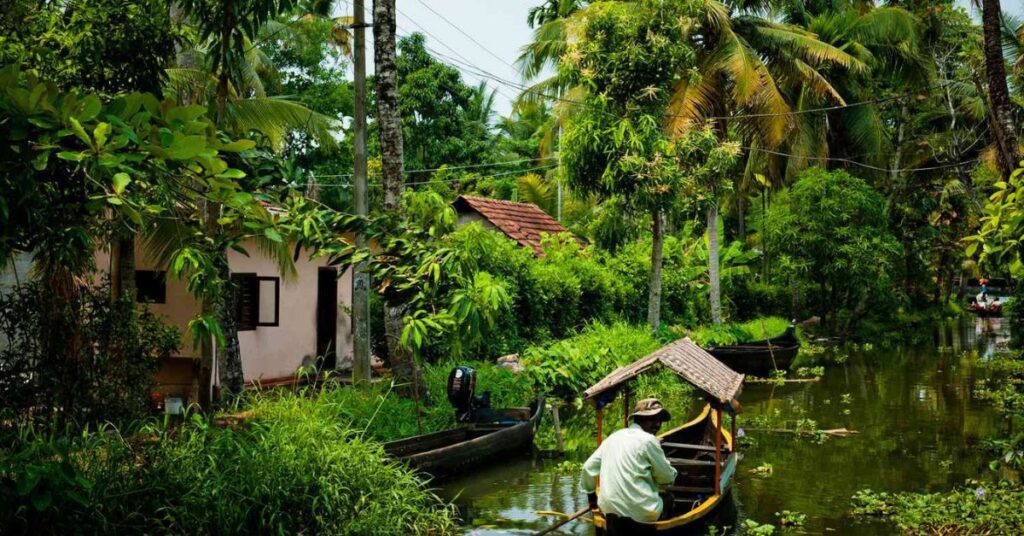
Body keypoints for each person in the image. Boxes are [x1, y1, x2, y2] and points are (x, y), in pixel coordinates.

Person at [581, 398, 677, 536]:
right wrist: (672, 472)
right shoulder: (648, 441)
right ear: (639, 419)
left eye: (659, 420)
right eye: (652, 419)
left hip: (609, 510)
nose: (657, 424)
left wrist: (592, 498)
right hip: (641, 513)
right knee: (668, 497)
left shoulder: (613, 437)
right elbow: (666, 478)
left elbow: (587, 468)